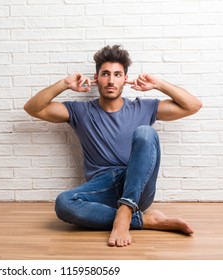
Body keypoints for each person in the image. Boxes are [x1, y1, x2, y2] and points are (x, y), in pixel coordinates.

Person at [23, 45, 202, 247]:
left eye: (117, 74)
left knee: (146, 132)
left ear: (125, 79)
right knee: (64, 204)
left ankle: (126, 211)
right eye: (105, 74)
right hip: (102, 188)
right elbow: (33, 109)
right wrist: (64, 84)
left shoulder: (143, 107)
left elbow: (193, 105)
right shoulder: (79, 110)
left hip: (137, 184)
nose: (110, 80)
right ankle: (145, 219)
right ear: (96, 77)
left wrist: (159, 84)